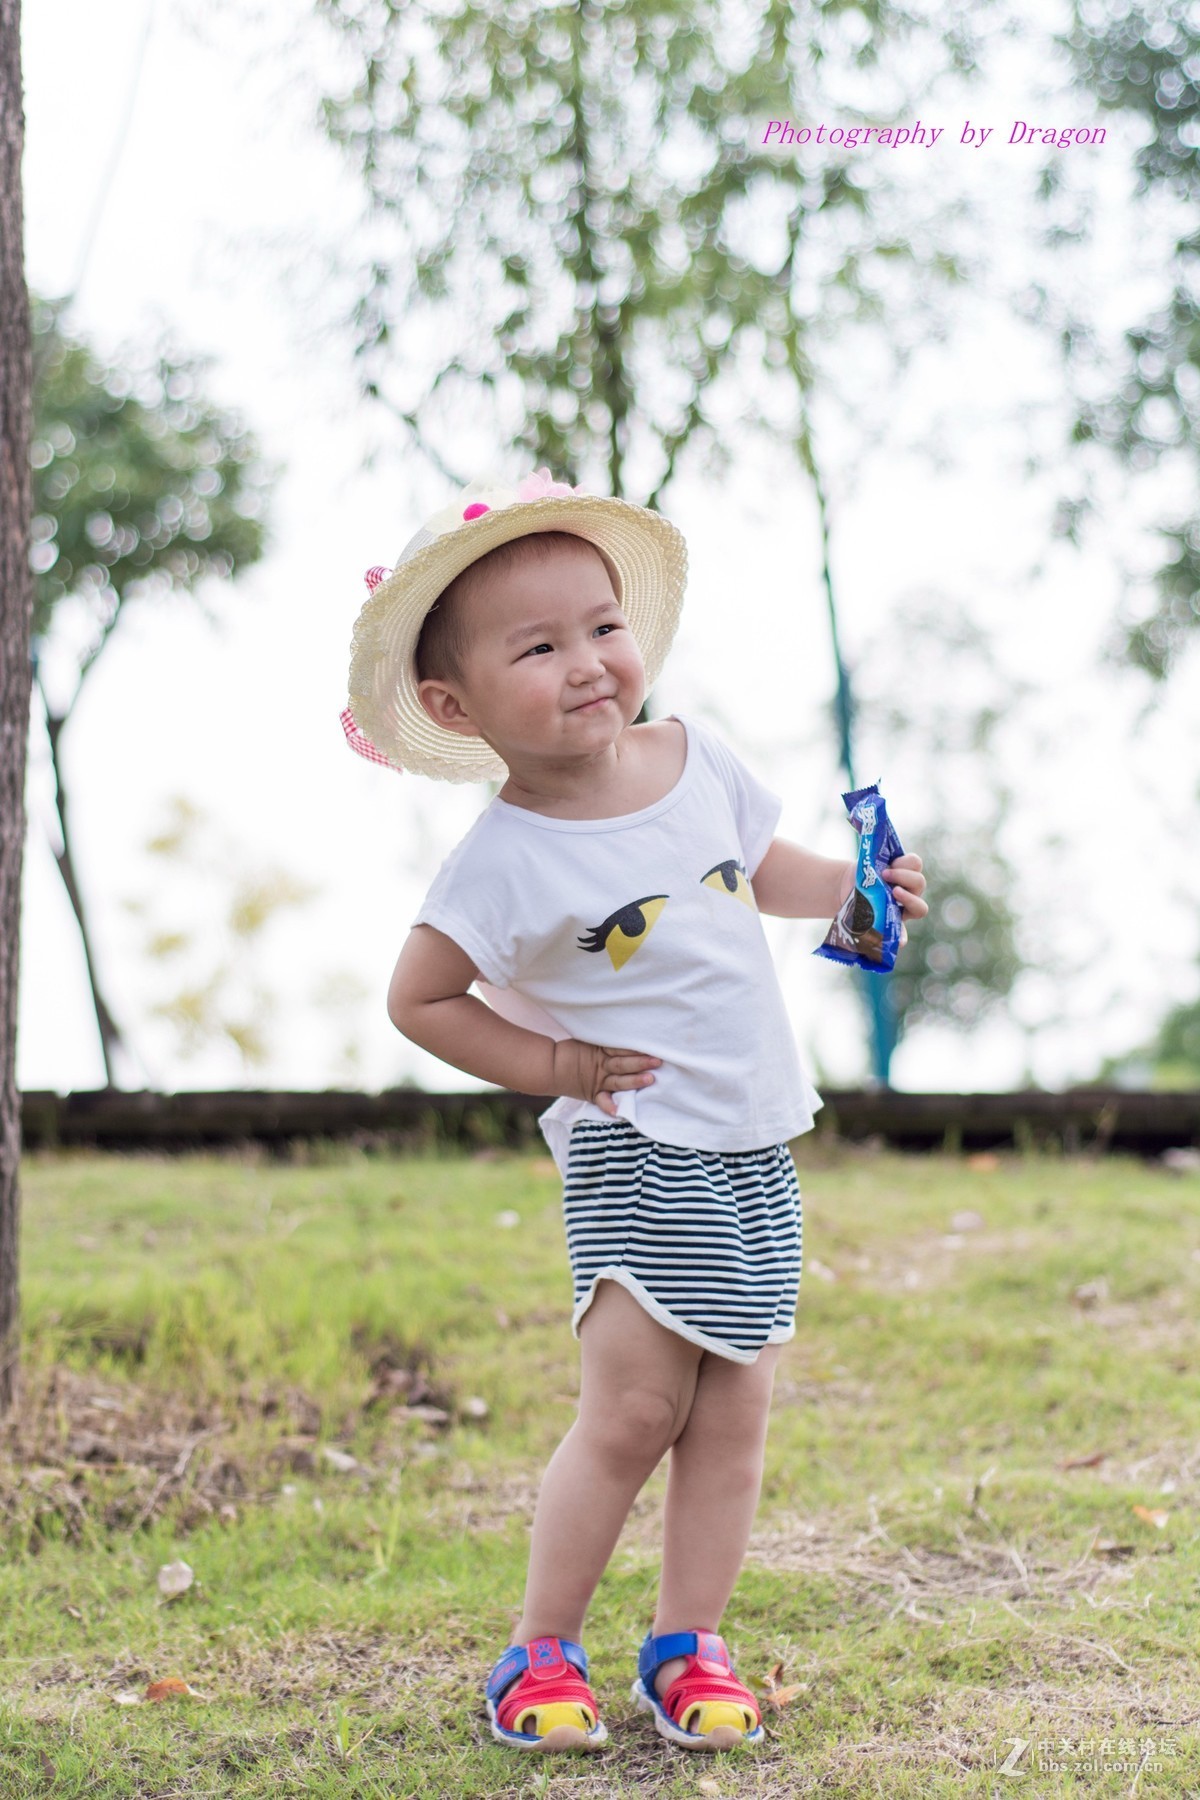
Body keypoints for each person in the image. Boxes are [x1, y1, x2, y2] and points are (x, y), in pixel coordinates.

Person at [340, 467, 928, 1755]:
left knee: (734, 1405)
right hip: (633, 1148)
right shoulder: (503, 858)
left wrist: (854, 892)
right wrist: (555, 1068)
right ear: (456, 703)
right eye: (538, 647)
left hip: (753, 1135)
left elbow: (759, 872)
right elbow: (420, 997)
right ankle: (540, 1652)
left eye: (603, 626)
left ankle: (687, 1646)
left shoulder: (696, 757)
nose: (590, 663)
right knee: (632, 1408)